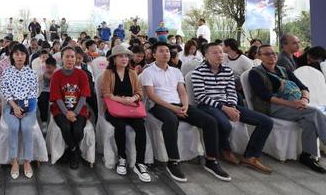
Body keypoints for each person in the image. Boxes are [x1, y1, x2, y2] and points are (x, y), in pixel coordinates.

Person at [141, 41, 230, 182]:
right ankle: (173, 161)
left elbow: (182, 91)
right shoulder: (148, 72)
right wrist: (173, 109)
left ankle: (211, 160)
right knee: (171, 121)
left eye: (167, 51)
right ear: (154, 55)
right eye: (161, 51)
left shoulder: (176, 71)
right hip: (159, 106)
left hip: (179, 105)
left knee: (210, 121)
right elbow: (152, 96)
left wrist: (185, 106)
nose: (165, 53)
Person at [192, 43, 273, 174]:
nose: (219, 55)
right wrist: (224, 108)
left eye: (221, 52)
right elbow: (201, 96)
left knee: (266, 122)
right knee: (225, 125)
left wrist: (232, 107)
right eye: (215, 53)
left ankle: (251, 156)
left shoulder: (227, 71)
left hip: (227, 104)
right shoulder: (198, 72)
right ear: (206, 55)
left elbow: (231, 92)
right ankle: (225, 150)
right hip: (207, 105)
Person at [248, 45, 326, 173]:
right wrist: (292, 104)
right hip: (271, 107)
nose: (272, 56)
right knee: (314, 112)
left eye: (274, 53)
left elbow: (303, 87)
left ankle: (307, 155)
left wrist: (304, 100)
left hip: (294, 104)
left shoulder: (283, 70)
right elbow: (265, 96)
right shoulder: (255, 73)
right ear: (259, 56)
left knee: (309, 121)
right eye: (267, 54)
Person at [100, 45, 151, 182]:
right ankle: (122, 158)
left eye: (126, 56)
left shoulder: (132, 73)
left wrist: (132, 99)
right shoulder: (108, 73)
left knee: (140, 126)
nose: (124, 59)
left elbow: (139, 93)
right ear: (114, 59)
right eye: (120, 56)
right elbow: (106, 93)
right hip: (114, 109)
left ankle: (140, 163)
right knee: (120, 126)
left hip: (131, 108)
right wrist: (122, 100)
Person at [1, 43, 39, 179]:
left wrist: (24, 108)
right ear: (12, 56)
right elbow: (5, 91)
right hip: (11, 106)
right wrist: (15, 107)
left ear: (26, 56)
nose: (19, 57)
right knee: (14, 127)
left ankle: (27, 161)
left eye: (22, 54)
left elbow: (34, 92)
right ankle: (15, 161)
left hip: (28, 107)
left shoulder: (31, 73)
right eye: (16, 54)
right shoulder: (7, 72)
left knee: (27, 128)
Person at [50, 46, 91, 169]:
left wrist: (75, 112)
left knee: (78, 129)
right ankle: (75, 151)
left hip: (79, 109)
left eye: (72, 56)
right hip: (60, 110)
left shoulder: (82, 74)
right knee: (66, 127)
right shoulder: (56, 75)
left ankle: (70, 151)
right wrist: (67, 113)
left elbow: (83, 96)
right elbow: (57, 98)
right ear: (61, 59)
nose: (70, 59)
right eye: (67, 56)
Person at [37, 56, 57, 126]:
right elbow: (37, 81)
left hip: (55, 90)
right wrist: (42, 76)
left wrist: (51, 78)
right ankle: (44, 121)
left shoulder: (58, 70)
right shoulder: (41, 69)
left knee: (57, 101)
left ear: (54, 67)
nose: (47, 69)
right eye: (47, 67)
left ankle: (56, 119)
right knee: (42, 100)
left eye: (49, 67)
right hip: (44, 90)